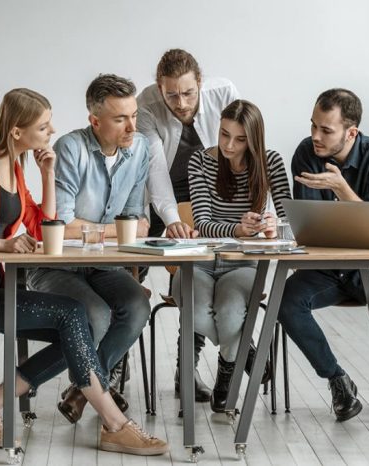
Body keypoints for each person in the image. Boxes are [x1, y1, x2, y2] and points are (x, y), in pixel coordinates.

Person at [0, 88, 167, 455]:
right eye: (44, 125)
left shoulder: (15, 166)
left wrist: (47, 173)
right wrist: (0, 245)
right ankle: (115, 423)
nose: (52, 131)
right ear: (17, 131)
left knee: (76, 326)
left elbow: (43, 226)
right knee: (72, 314)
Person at [277, 88, 369, 422]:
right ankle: (337, 380)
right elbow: (312, 223)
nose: (315, 136)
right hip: (329, 267)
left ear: (351, 132)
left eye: (326, 130)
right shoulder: (305, 153)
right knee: (286, 302)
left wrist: (342, 189)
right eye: (313, 126)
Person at [26, 75, 152, 423]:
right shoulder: (70, 148)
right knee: (95, 314)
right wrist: (116, 231)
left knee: (137, 304)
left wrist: (105, 230)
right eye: (120, 118)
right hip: (57, 266)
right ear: (94, 121)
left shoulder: (140, 148)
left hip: (103, 265)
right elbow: (62, 226)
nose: (131, 127)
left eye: (134, 115)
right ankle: (99, 392)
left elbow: (138, 221)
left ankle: (84, 390)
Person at [171, 100, 291, 412]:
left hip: (242, 264)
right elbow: (203, 223)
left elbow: (292, 222)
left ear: (254, 139)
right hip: (197, 261)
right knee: (196, 315)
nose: (228, 145)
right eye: (224, 134)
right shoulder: (200, 160)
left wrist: (272, 226)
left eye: (239, 140)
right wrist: (237, 229)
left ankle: (227, 375)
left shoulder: (270, 163)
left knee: (229, 314)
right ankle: (246, 352)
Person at [136, 48, 239, 401]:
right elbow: (155, 171)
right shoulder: (146, 105)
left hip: (210, 188)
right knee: (128, 267)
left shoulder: (223, 93)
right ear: (159, 88)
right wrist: (174, 221)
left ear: (201, 83)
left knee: (198, 272)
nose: (180, 103)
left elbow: (241, 151)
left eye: (188, 92)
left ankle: (188, 368)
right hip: (161, 189)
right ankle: (113, 365)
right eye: (171, 94)